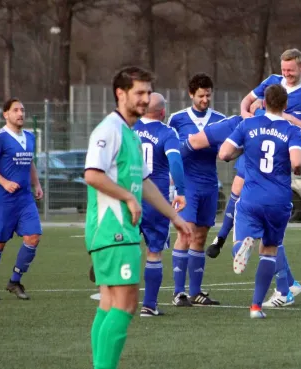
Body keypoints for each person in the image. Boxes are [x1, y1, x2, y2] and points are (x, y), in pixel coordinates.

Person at [85, 66, 192, 369]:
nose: (145, 99)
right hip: (112, 229)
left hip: (122, 229)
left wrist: (175, 217)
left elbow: (145, 183)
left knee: (109, 304)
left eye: (148, 92)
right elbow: (92, 174)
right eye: (139, 93)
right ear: (121, 94)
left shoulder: (130, 134)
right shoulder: (109, 130)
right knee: (127, 305)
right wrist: (128, 198)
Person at [218, 84, 301, 319]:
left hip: (251, 197)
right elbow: (296, 162)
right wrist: (296, 168)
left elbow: (224, 153)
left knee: (241, 240)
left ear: (264, 103)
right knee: (269, 251)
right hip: (279, 200)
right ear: (285, 105)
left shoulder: (247, 125)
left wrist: (244, 149)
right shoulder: (292, 130)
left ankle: (242, 247)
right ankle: (256, 307)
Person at [166, 73, 226, 306]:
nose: (205, 99)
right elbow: (170, 149)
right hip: (187, 186)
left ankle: (196, 292)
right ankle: (178, 292)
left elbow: (226, 150)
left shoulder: (220, 119)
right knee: (185, 233)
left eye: (208, 95)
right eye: (201, 95)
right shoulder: (177, 119)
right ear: (191, 94)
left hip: (210, 184)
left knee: (200, 237)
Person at [0, 98, 43, 301]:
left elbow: (30, 163)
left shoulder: (30, 137)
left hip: (24, 199)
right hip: (2, 199)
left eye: (23, 110)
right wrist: (5, 182)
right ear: (5, 114)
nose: (20, 113)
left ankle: (15, 281)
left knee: (33, 236)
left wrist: (37, 184)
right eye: (15, 110)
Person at [132, 92, 187, 317]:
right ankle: (149, 305)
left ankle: (113, 288)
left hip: (129, 197)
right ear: (163, 112)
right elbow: (175, 161)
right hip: (156, 200)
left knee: (126, 245)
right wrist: (181, 192)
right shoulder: (167, 132)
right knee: (154, 252)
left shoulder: (130, 129)